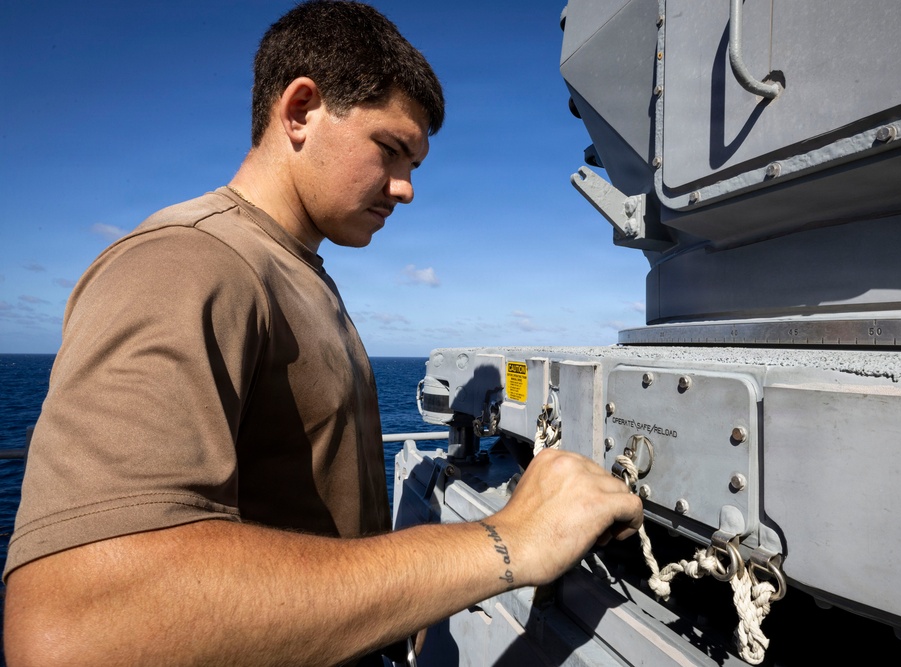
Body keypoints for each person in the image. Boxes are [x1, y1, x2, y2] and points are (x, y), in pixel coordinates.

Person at [2, 2, 644, 665]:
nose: (406, 189)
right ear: (300, 110)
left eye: (416, 165)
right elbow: (74, 627)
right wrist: (508, 541)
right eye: (391, 150)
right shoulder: (185, 262)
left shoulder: (294, 269)